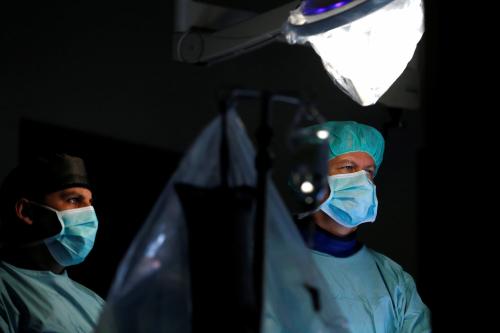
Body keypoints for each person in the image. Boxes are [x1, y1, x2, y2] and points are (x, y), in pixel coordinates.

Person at [296, 121, 431, 332]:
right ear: (314, 177)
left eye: (368, 171)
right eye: (348, 167)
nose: (362, 180)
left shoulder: (393, 281)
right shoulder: (273, 264)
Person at [0, 153, 104, 332]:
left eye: (90, 203)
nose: (88, 213)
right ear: (26, 211)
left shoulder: (96, 304)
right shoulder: (5, 289)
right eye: (74, 200)